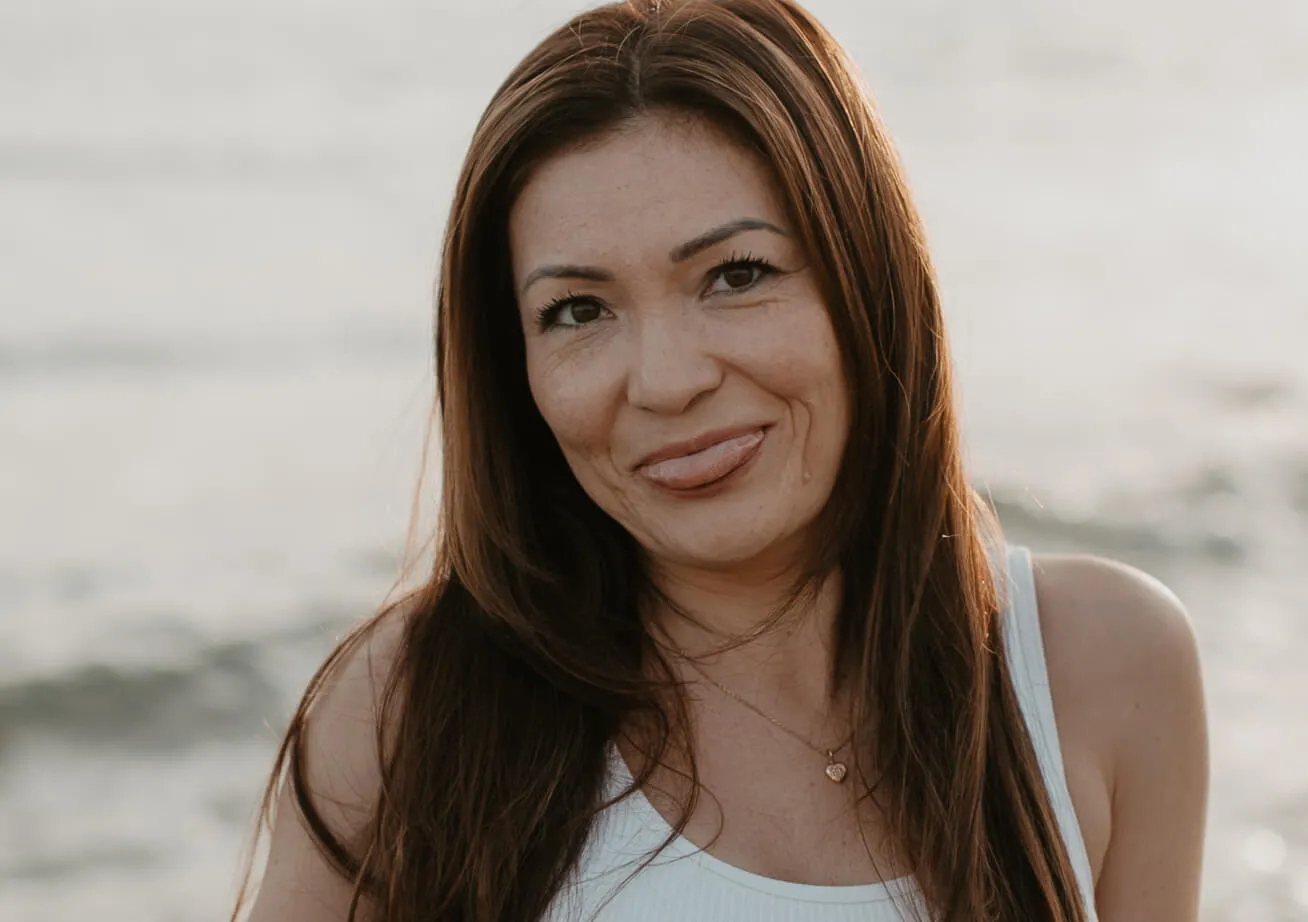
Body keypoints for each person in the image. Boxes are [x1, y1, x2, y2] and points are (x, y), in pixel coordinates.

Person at [231, 1, 1209, 920]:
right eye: (579, 310)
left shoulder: (1106, 667)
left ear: (868, 279)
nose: (664, 380)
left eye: (736, 276)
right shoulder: (410, 713)